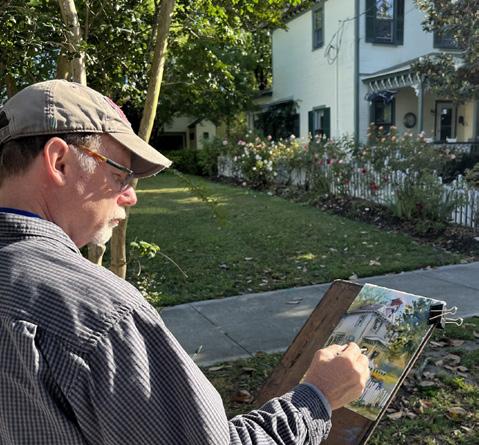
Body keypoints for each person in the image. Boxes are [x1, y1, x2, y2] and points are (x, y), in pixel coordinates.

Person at [0, 80, 370, 444]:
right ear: (60, 162)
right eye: (119, 175)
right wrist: (318, 396)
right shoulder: (99, 314)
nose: (130, 196)